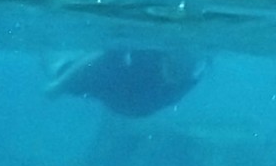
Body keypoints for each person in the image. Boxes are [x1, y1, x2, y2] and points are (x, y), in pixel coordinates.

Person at [45, 49, 207, 117]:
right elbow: (103, 57)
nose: (181, 68)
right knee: (66, 73)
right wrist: (59, 85)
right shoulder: (139, 61)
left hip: (131, 101)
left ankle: (59, 70)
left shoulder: (191, 75)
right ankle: (57, 68)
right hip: (124, 96)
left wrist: (59, 85)